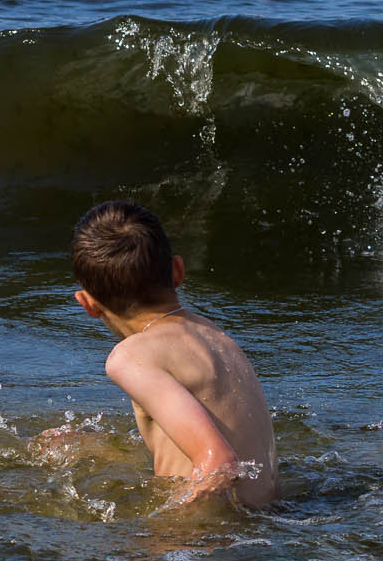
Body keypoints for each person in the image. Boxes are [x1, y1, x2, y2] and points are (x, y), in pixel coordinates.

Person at [56, 200, 276, 507]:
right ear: (177, 270)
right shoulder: (215, 335)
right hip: (271, 516)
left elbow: (220, 463)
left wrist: (168, 536)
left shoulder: (130, 357)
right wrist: (94, 449)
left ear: (87, 304)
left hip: (210, 535)